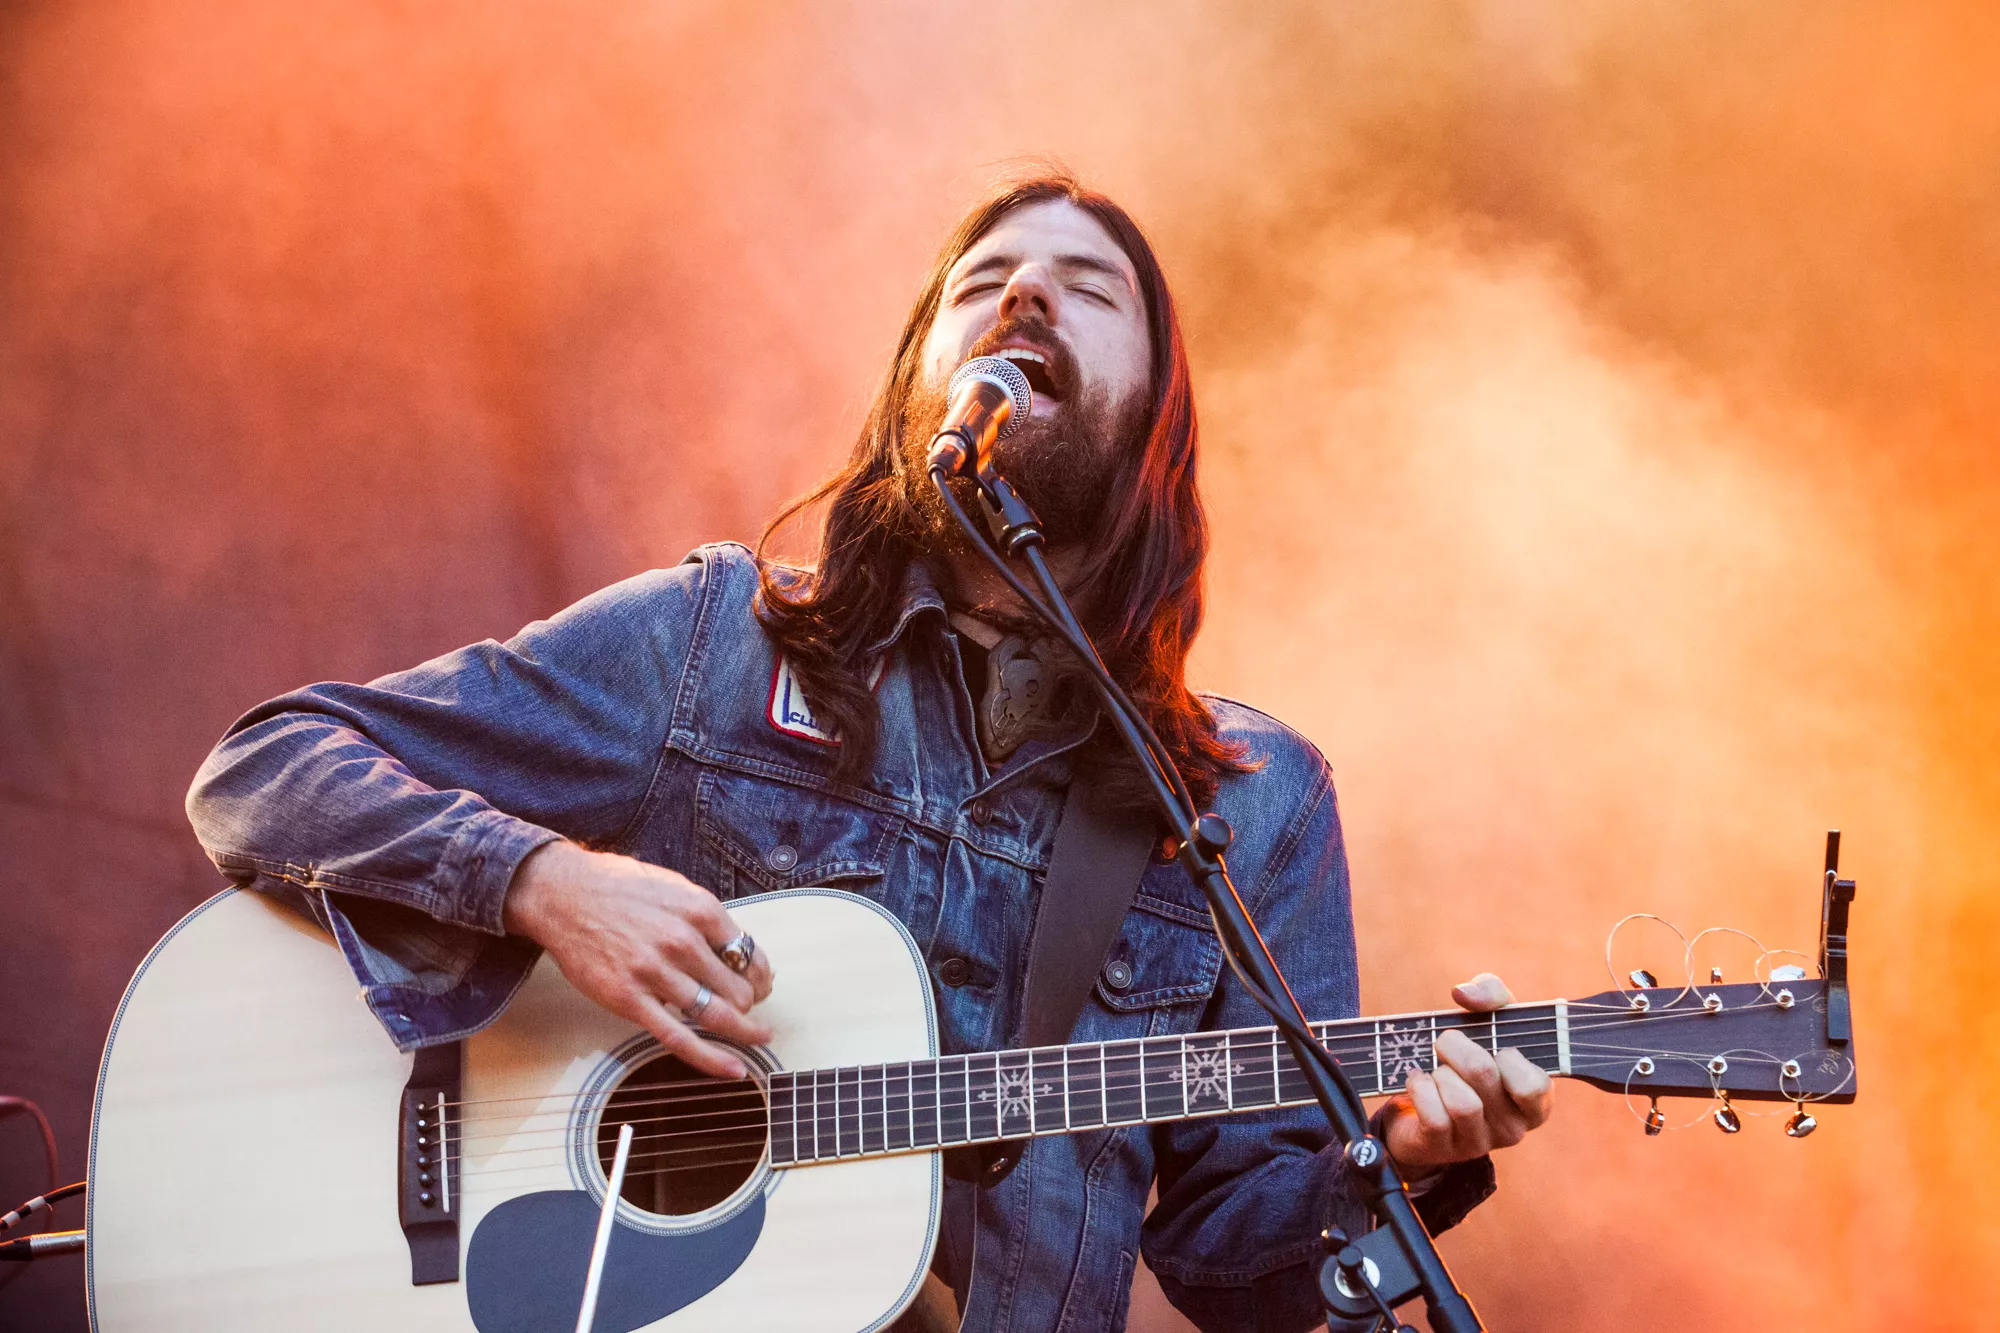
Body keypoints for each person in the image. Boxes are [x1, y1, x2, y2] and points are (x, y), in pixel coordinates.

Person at [186, 172, 1552, 1333]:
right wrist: (547, 884)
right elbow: (267, 770)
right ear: (916, 389)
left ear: (1155, 420)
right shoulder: (715, 644)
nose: (1026, 294)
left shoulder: (1257, 805)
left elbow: (1234, 1277)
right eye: (982, 282)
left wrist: (1402, 1159)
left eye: (1088, 288)